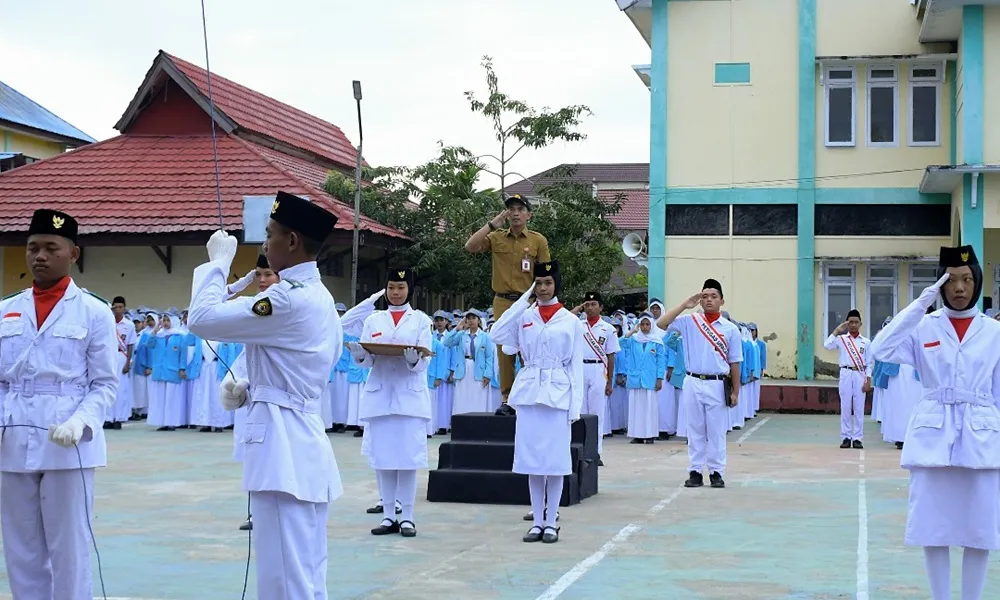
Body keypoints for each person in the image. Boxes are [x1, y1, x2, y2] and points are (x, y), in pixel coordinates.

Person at [187, 191, 343, 600]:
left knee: (284, 576)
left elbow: (201, 319)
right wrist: (253, 387)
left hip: (282, 444)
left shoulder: (287, 298)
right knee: (305, 569)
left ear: (292, 241)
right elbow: (298, 365)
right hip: (300, 435)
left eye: (269, 235)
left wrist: (218, 263)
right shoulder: (320, 298)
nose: (264, 245)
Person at [0, 209, 118, 600]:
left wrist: (80, 422)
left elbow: (104, 384)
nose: (40, 256)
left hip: (69, 443)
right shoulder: (6, 310)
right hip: (12, 439)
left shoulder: (95, 311)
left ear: (74, 253)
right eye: (33, 248)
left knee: (69, 549)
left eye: (51, 248)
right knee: (21, 550)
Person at [870, 245, 1000, 600]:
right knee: (933, 526)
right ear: (940, 286)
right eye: (951, 280)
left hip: (981, 434)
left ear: (977, 283)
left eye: (967, 279)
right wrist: (917, 307)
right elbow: (878, 351)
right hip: (933, 434)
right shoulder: (923, 326)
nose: (960, 288)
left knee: (981, 528)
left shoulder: (993, 332)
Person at [489, 260, 583, 544]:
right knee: (532, 461)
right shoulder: (525, 316)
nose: (543, 288)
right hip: (529, 394)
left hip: (557, 395)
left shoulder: (570, 320)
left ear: (556, 285)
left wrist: (574, 409)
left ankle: (552, 521)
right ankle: (537, 522)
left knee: (553, 462)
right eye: (538, 283)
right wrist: (522, 299)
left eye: (547, 283)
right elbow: (496, 333)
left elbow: (575, 366)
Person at [347, 267, 432, 538]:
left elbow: (424, 361)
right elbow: (368, 361)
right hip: (381, 396)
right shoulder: (374, 320)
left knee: (407, 460)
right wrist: (360, 355)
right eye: (391, 287)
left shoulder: (420, 320)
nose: (396, 293)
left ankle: (406, 516)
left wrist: (413, 360)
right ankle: (387, 515)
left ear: (410, 290)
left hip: (408, 398)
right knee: (382, 459)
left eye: (401, 287)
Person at [465, 194, 551, 415]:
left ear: (528, 214)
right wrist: (492, 224)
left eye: (520, 209)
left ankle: (530, 394)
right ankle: (507, 398)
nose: (515, 213)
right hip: (503, 300)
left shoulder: (537, 240)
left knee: (529, 348)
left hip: (528, 301)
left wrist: (544, 303)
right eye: (511, 209)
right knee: (505, 351)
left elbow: (546, 273)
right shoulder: (496, 237)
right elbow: (471, 246)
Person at [656, 279, 742, 489]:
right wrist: (685, 304)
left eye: (714, 296)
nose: (709, 300)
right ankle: (695, 471)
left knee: (716, 431)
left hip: (717, 383)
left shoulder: (730, 329)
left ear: (722, 301)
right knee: (694, 429)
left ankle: (716, 472)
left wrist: (735, 392)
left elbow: (735, 362)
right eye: (705, 296)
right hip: (693, 381)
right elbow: (661, 323)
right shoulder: (690, 321)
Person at [573, 292, 619, 464]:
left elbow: (611, 356)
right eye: (587, 304)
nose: (590, 308)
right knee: (580, 412)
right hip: (580, 369)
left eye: (593, 304)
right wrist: (578, 308)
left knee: (596, 413)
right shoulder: (578, 324)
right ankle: (581, 450)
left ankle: (596, 451)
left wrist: (609, 381)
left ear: (601, 307)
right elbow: (562, 320)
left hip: (598, 369)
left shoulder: (608, 329)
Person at [823, 309, 873, 449]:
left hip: (859, 374)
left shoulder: (866, 342)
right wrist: (838, 329)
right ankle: (845, 437)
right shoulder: (841, 339)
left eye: (856, 322)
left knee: (859, 407)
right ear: (847, 323)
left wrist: (868, 379)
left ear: (860, 324)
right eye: (850, 322)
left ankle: (857, 438)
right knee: (845, 406)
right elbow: (827, 345)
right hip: (845, 373)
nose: (853, 325)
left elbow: (869, 363)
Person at [625, 313, 666, 444]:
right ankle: (637, 435)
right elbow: (620, 342)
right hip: (635, 379)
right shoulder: (634, 340)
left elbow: (661, 361)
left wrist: (660, 378)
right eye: (642, 324)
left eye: (647, 324)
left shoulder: (657, 342)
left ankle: (649, 435)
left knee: (649, 408)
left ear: (652, 325)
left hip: (650, 379)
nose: (644, 327)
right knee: (636, 408)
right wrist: (632, 331)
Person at [445, 309, 495, 415]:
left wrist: (488, 374)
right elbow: (447, 342)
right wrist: (457, 329)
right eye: (468, 318)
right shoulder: (462, 335)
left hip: (478, 368)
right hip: (463, 368)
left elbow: (489, 357)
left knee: (477, 396)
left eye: (473, 318)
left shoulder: (484, 336)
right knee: (463, 396)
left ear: (479, 320)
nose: (471, 321)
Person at [107, 295, 137, 430]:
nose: (118, 310)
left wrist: (127, 363)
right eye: (116, 307)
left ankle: (118, 418)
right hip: (108, 356)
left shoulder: (129, 325)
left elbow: (130, 345)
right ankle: (107, 418)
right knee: (107, 387)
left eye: (120, 307)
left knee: (121, 389)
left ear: (124, 308)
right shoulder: (107, 322)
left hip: (121, 356)